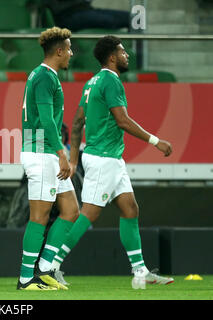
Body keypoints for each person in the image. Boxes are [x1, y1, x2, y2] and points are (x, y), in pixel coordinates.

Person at [65, 35, 174, 289]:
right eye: (123, 52)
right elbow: (122, 121)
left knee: (130, 209)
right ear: (112, 57)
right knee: (89, 213)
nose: (128, 56)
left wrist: (74, 161)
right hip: (105, 158)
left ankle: (140, 272)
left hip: (108, 157)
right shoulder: (112, 82)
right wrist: (156, 141)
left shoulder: (92, 82)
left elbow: (77, 123)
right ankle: (51, 266)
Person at [17, 26, 80, 291]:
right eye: (68, 49)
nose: (71, 54)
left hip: (47, 154)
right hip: (42, 154)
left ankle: (43, 269)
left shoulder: (46, 76)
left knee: (71, 211)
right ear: (59, 51)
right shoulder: (44, 77)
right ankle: (24, 278)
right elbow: (45, 121)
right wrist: (61, 153)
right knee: (39, 216)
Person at [42, 0, 130, 32]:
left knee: (131, 17)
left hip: (85, 9)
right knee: (110, 20)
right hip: (68, 15)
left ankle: (139, 59)